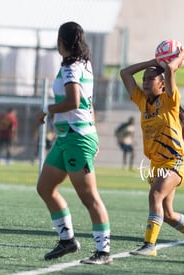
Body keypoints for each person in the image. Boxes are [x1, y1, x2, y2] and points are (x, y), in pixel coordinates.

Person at [36, 21, 112, 265]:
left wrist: (48, 110)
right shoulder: (84, 64)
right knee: (45, 187)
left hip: (77, 140)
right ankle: (67, 240)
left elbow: (74, 101)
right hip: (67, 138)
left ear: (61, 42)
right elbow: (89, 103)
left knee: (89, 197)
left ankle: (103, 252)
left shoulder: (71, 68)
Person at [120, 47, 184, 257]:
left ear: (162, 84)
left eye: (151, 78)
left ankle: (150, 245)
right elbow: (124, 73)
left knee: (155, 194)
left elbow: (169, 70)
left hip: (176, 160)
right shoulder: (143, 102)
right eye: (144, 78)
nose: (146, 81)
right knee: (167, 214)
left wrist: (173, 61)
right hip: (157, 164)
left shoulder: (169, 100)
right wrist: (151, 61)